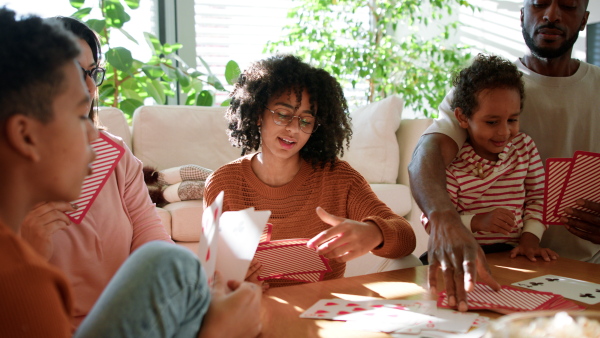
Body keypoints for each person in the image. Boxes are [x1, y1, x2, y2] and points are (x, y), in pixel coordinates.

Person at [0, 8, 261, 337]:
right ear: (25, 135)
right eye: (76, 117)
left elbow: (154, 243)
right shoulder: (19, 278)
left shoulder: (114, 155)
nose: (95, 134)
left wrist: (210, 283)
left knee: (171, 263)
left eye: (93, 74)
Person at [408, 0, 599, 312]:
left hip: (584, 268)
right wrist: (445, 219)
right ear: (523, 14)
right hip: (500, 264)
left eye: (567, 4)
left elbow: (537, 194)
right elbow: (425, 156)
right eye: (538, 4)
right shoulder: (489, 88)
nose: (551, 14)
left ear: (583, 19)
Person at [203, 55, 417, 288]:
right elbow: (209, 273)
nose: (294, 128)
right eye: (283, 114)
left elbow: (407, 238)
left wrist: (375, 232)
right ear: (256, 114)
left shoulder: (337, 178)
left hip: (322, 309)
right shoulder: (223, 183)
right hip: (250, 310)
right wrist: (232, 282)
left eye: (306, 120)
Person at [18, 16, 173, 328]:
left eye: (92, 73)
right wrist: (25, 253)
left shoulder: (114, 155)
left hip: (126, 319)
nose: (89, 87)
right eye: (75, 72)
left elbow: (149, 232)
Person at [421, 54, 558, 262]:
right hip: (463, 256)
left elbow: (540, 199)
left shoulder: (524, 148)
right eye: (492, 122)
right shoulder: (453, 161)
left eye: (512, 119)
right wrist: (477, 222)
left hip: (513, 253)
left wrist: (530, 240)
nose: (504, 132)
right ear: (462, 118)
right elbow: (432, 222)